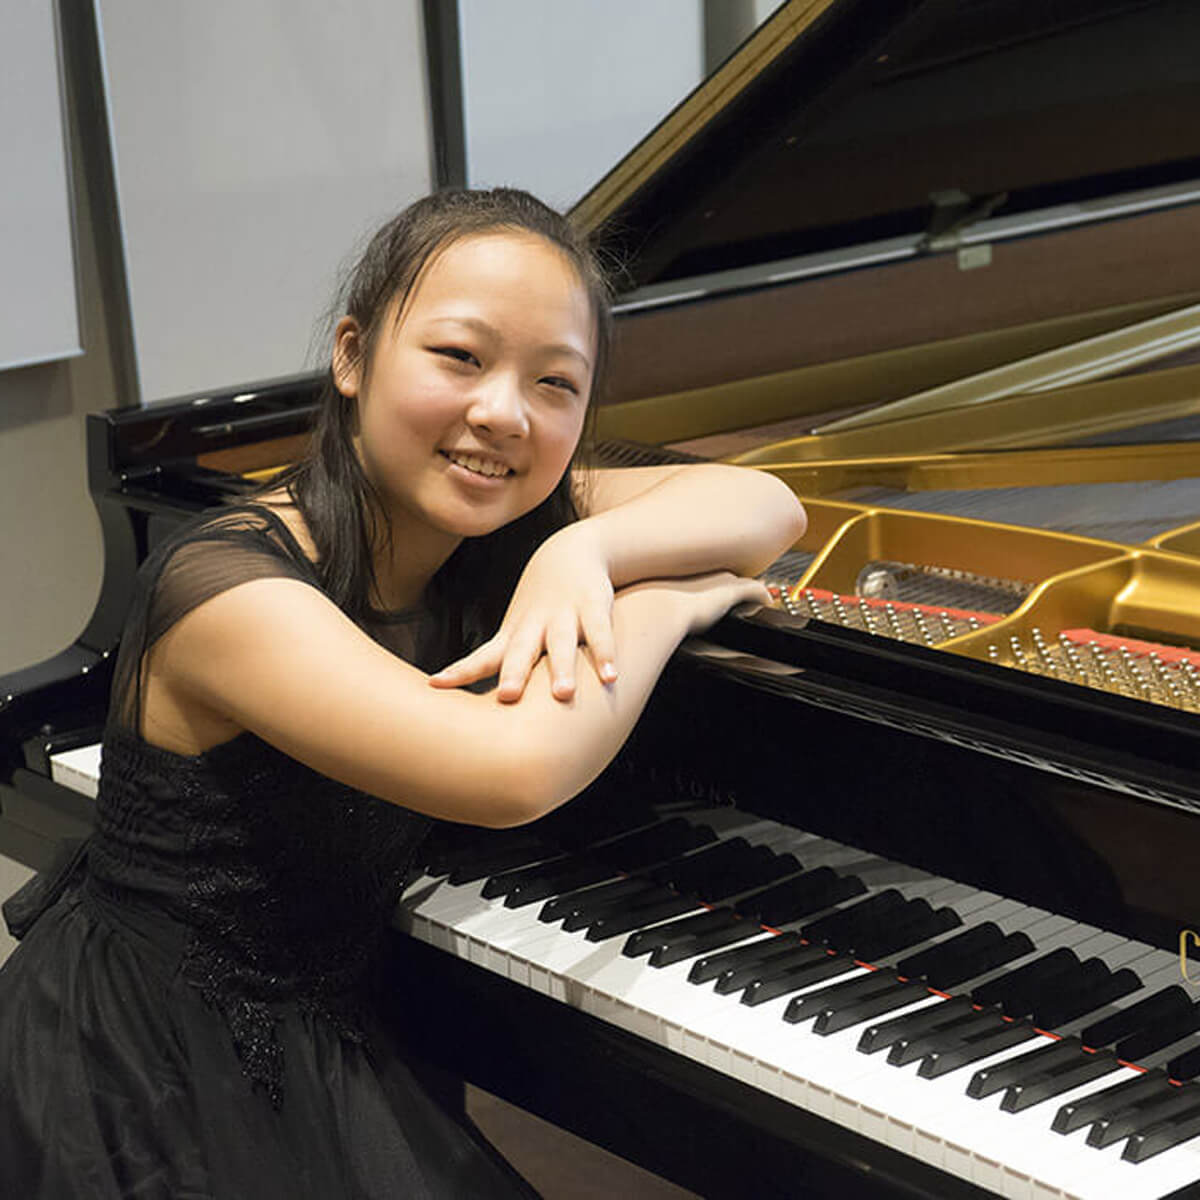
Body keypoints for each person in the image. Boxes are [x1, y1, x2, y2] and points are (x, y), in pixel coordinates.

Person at [0, 188, 806, 1198]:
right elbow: (513, 771)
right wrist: (668, 604)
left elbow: (769, 504)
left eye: (556, 383)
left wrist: (584, 546)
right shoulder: (227, 589)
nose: (504, 412)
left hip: (320, 1023)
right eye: (460, 357)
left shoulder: (505, 514)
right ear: (351, 355)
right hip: (147, 1067)